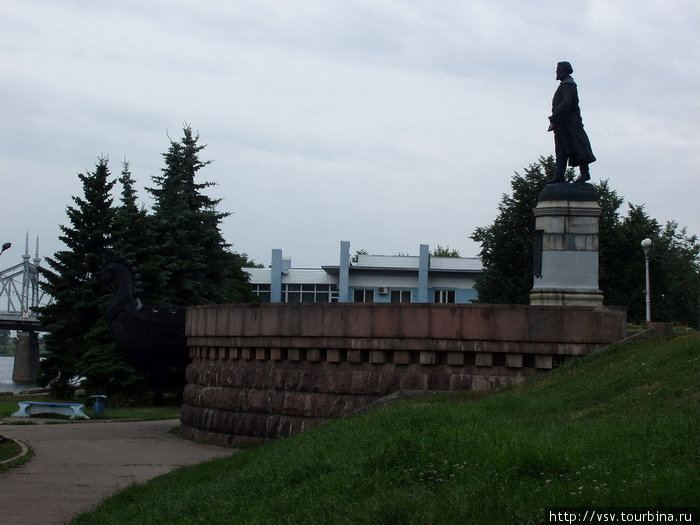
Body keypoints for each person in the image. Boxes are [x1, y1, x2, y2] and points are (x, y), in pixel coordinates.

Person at [547, 61, 596, 184]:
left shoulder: (568, 85)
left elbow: (567, 102)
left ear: (564, 70)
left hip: (570, 123)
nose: (557, 72)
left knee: (578, 146)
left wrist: (555, 114)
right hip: (562, 123)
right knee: (561, 149)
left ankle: (585, 173)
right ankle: (559, 175)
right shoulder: (565, 84)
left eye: (558, 69)